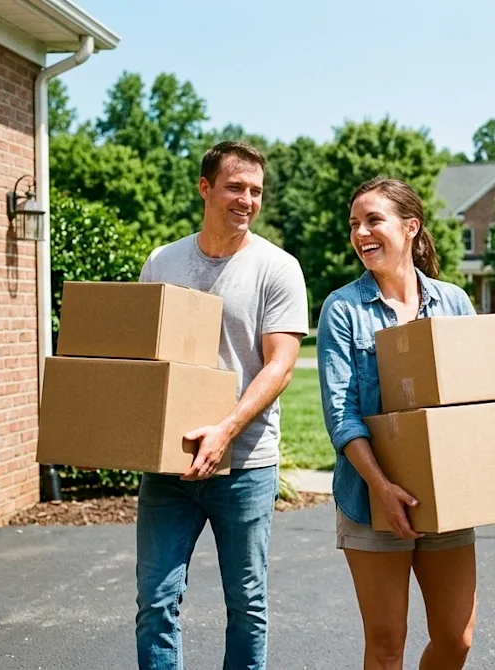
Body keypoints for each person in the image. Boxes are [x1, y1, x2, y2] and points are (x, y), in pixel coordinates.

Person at [134, 141, 309, 669]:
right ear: (205, 187)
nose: (247, 199)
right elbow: (145, 357)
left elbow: (278, 366)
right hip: (169, 466)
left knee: (247, 604)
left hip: (246, 464)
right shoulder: (163, 261)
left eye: (256, 191)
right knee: (156, 603)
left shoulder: (276, 268)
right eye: (235, 187)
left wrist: (225, 430)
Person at [316, 177, 478, 670]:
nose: (361, 232)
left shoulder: (453, 303)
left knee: (457, 639)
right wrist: (382, 487)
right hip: (371, 500)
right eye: (354, 224)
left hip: (444, 498)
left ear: (411, 227)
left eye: (373, 220)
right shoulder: (342, 309)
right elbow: (341, 416)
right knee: (387, 647)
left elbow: (485, 402)